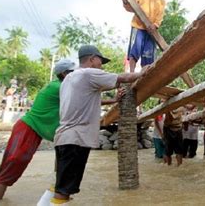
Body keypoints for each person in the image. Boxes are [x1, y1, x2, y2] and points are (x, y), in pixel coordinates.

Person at [51, 45, 144, 204]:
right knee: (63, 191)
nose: (101, 65)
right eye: (100, 61)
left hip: (64, 137)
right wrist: (143, 72)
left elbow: (88, 100)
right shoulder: (88, 73)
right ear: (92, 58)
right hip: (76, 139)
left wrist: (114, 100)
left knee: (59, 186)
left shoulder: (69, 79)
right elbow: (124, 78)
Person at [0, 59, 76, 204]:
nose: (76, 77)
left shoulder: (59, 86)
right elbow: (84, 95)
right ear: (64, 74)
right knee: (9, 171)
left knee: (6, 170)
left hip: (29, 129)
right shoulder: (60, 87)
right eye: (73, 73)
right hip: (27, 129)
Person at [121, 0, 169, 72]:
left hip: (151, 31)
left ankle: (144, 76)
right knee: (135, 52)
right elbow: (131, 8)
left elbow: (160, 17)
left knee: (148, 56)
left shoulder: (162, 1)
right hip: (138, 27)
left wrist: (155, 25)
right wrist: (125, 2)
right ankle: (132, 73)